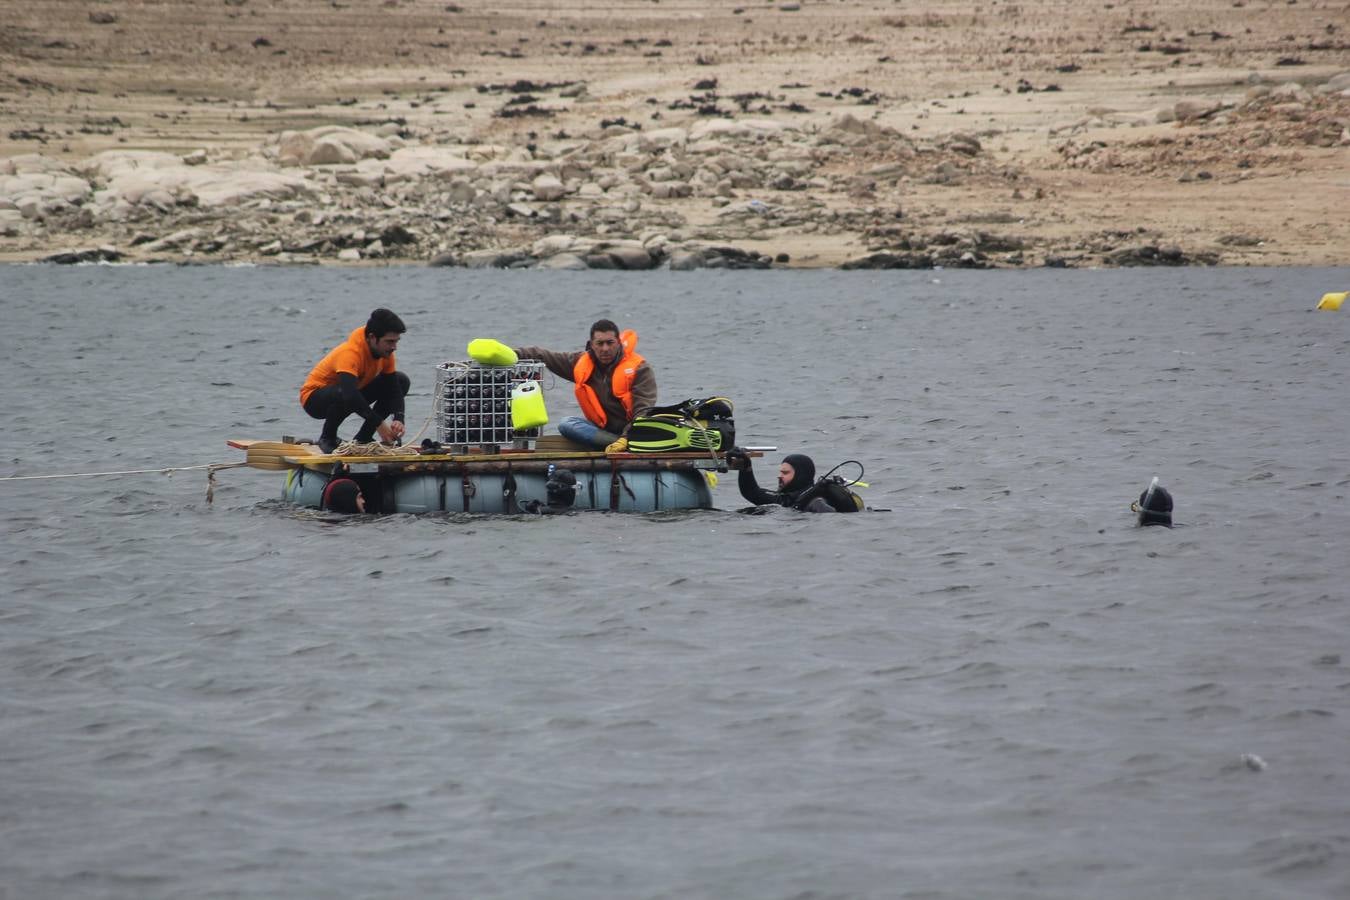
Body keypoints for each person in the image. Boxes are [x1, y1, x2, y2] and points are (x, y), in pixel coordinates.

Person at [515, 319, 656, 452]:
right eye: (600, 343)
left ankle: (625, 444)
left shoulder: (640, 369)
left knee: (643, 424)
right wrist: (512, 355)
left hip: (633, 431)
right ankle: (613, 443)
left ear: (619, 343)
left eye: (610, 343)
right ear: (591, 344)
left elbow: (643, 412)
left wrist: (626, 438)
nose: (605, 348)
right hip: (604, 431)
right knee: (567, 424)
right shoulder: (581, 363)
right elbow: (544, 355)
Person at [301, 308, 410, 453]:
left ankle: (363, 438)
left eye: (396, 342)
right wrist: (379, 423)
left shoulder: (385, 353)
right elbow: (350, 395)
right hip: (314, 400)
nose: (394, 347)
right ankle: (328, 437)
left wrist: (399, 418)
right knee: (345, 392)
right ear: (372, 337)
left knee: (401, 380)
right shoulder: (350, 353)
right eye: (389, 342)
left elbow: (394, 388)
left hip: (350, 394)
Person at [725, 449, 862, 513]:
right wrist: (745, 466)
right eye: (780, 472)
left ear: (800, 475)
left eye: (785, 473)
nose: (779, 476)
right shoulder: (787, 499)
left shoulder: (816, 502)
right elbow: (752, 492)